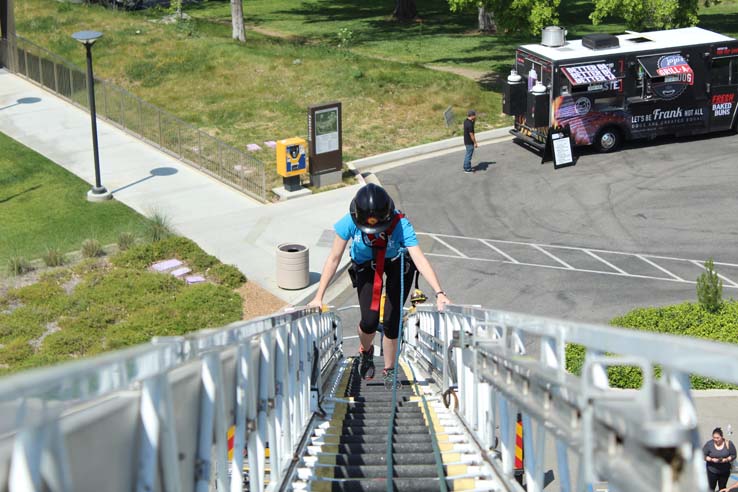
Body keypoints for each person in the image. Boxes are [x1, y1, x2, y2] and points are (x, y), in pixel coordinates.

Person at [308, 183, 451, 388]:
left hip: (396, 264)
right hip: (366, 265)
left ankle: (390, 370)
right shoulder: (349, 221)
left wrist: (439, 292)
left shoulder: (401, 224)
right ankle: (366, 351)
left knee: (392, 322)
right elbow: (334, 258)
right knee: (369, 321)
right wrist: (318, 296)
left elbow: (419, 257)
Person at [463, 109, 478, 173]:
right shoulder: (470, 124)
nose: (475, 116)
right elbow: (471, 135)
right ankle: (467, 168)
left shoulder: (466, 121)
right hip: (469, 142)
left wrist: (473, 121)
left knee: (467, 154)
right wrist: (475, 143)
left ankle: (466, 166)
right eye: (474, 115)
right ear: (472, 115)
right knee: (468, 155)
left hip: (466, 141)